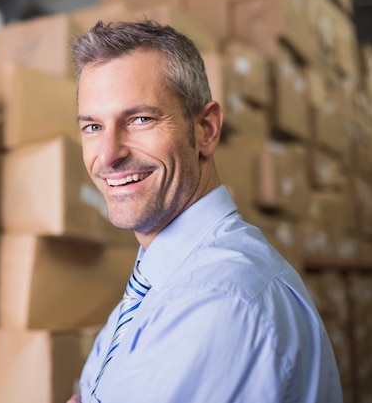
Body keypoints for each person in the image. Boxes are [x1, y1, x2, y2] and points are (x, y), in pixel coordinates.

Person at [66, 20, 342, 403]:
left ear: (207, 129)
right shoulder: (161, 278)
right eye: (93, 126)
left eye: (140, 119)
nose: (109, 154)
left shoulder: (219, 301)